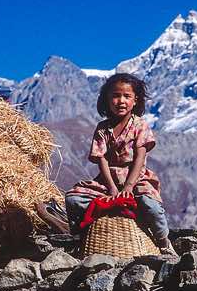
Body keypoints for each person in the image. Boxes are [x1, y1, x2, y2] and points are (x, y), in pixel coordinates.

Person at [64, 73, 175, 255]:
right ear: (107, 99)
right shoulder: (102, 128)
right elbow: (102, 159)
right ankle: (79, 238)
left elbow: (140, 156)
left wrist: (129, 187)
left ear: (135, 100)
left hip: (136, 179)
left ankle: (163, 241)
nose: (121, 101)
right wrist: (112, 189)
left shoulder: (140, 125)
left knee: (151, 205)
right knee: (73, 199)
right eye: (115, 96)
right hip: (108, 181)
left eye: (127, 96)